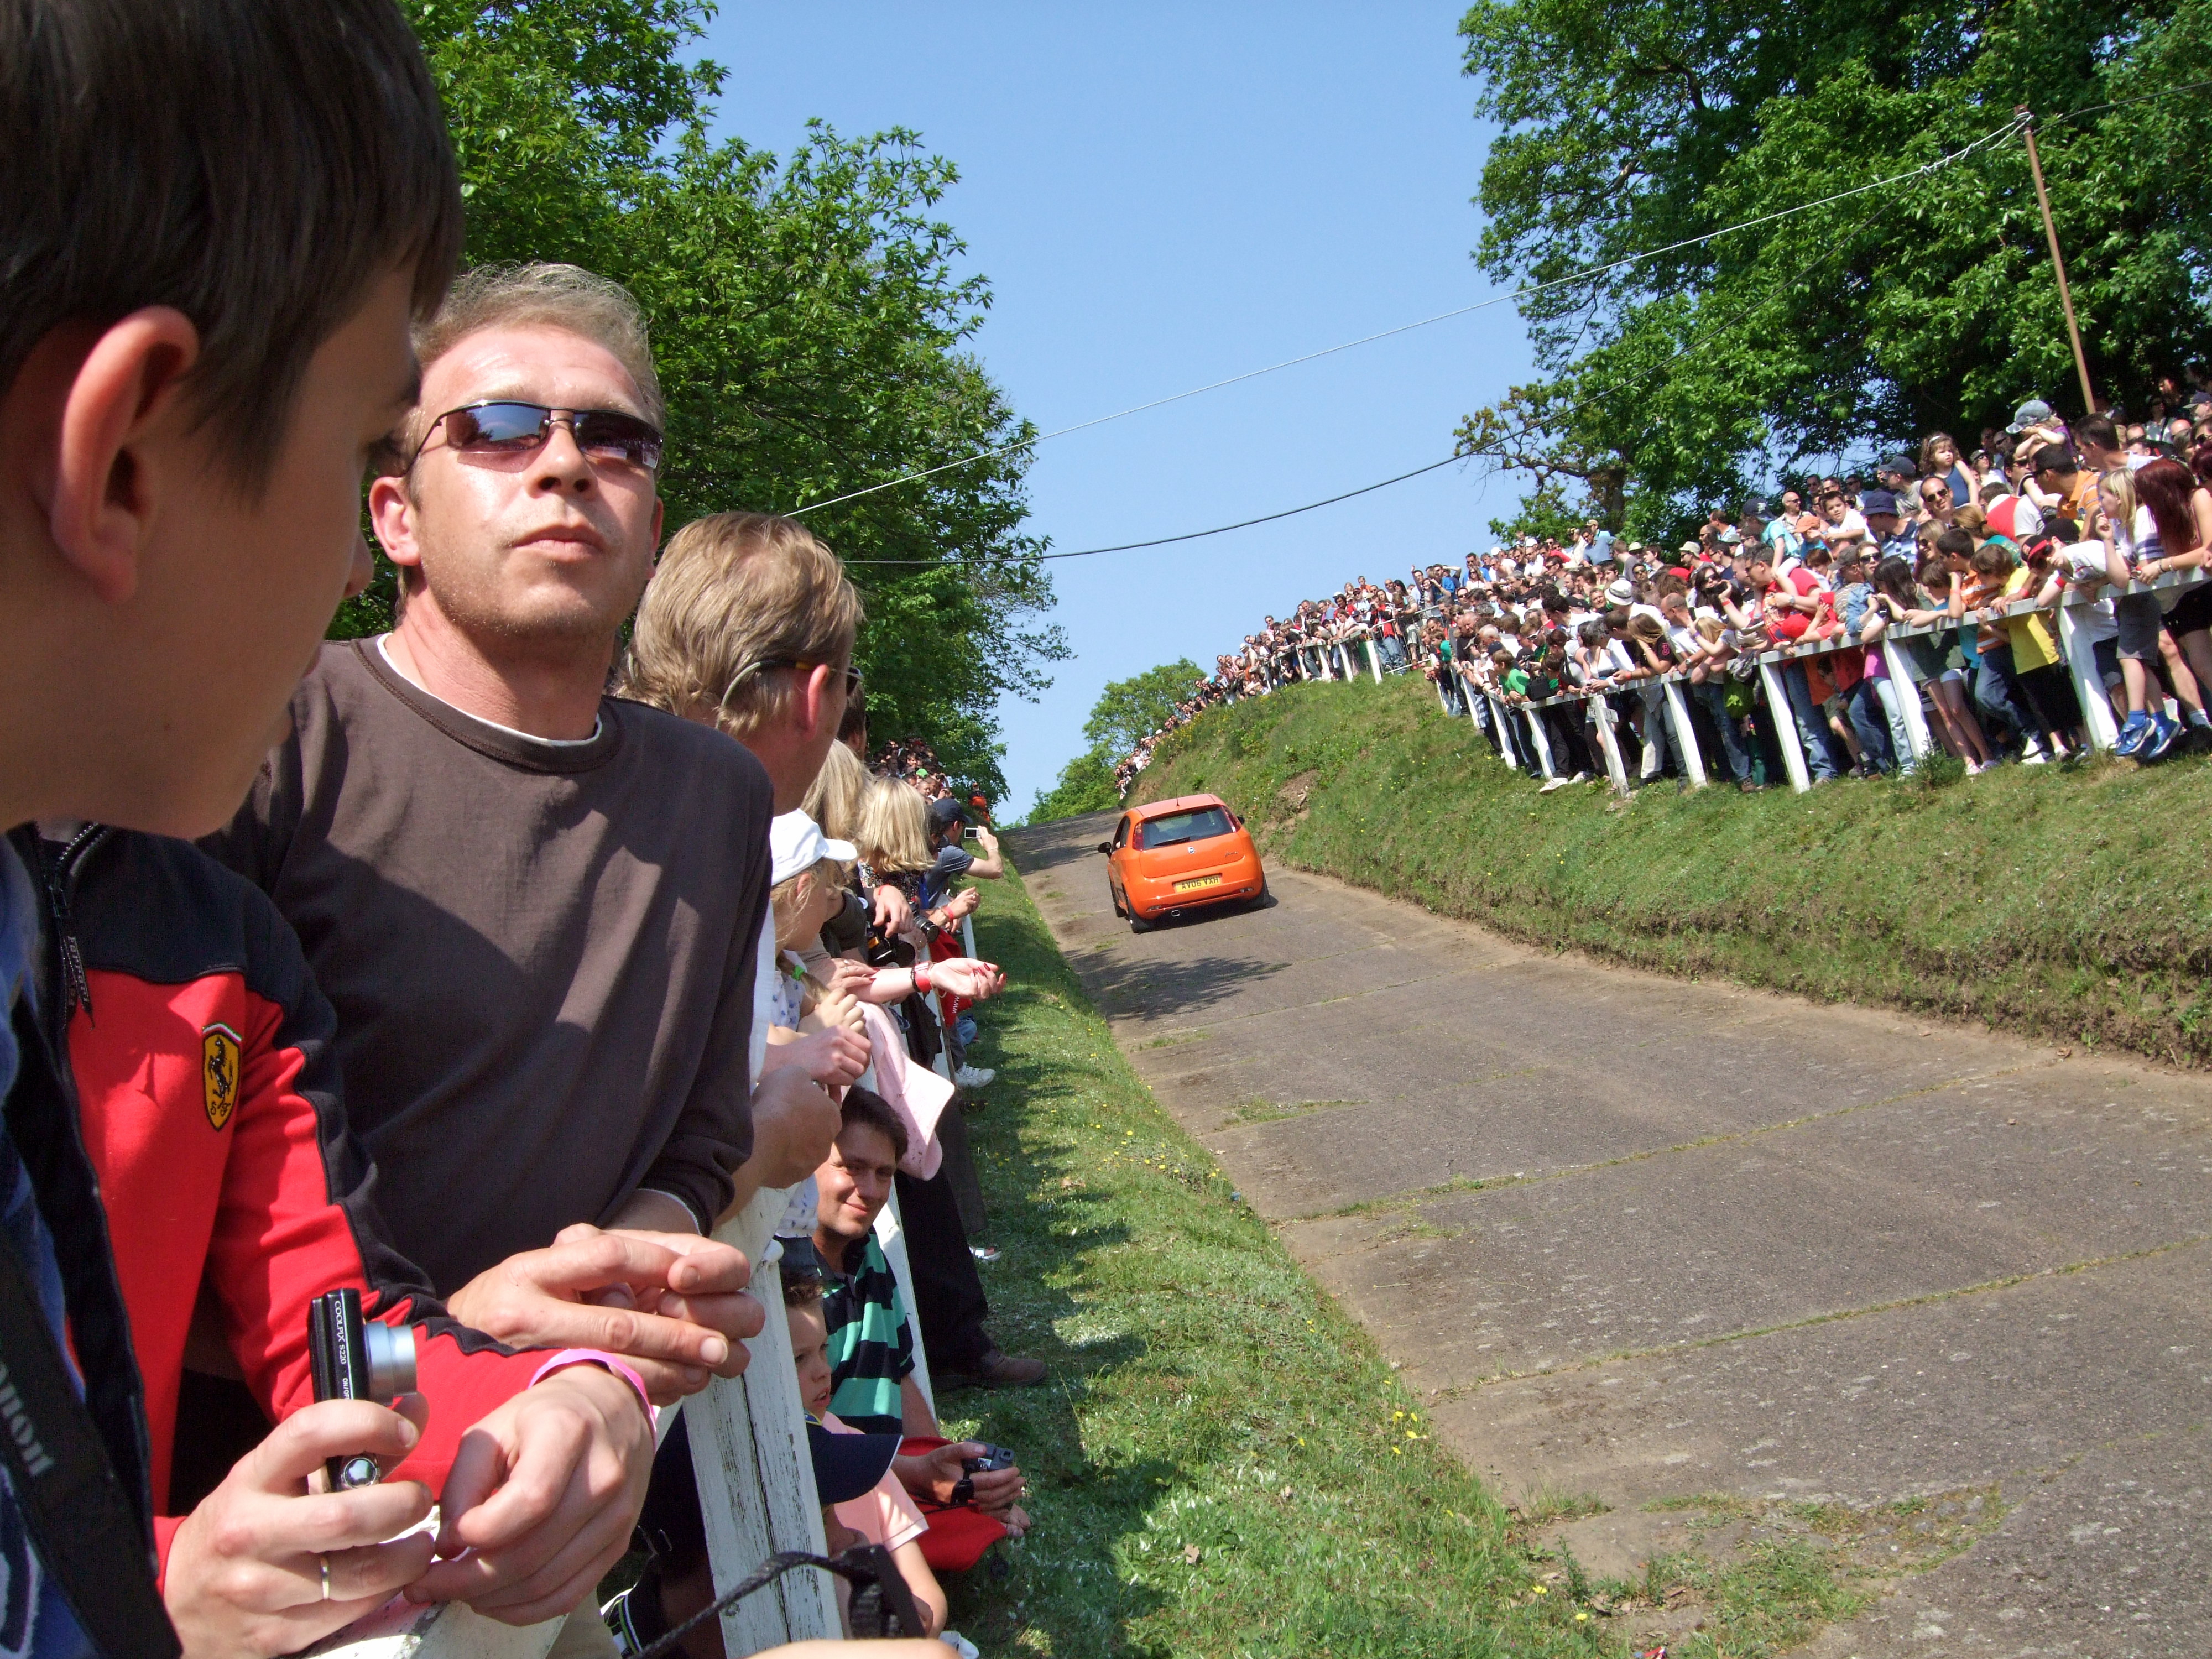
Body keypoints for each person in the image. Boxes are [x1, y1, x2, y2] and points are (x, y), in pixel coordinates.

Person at [0, 1, 676, 1649]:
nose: (344, 581)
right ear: (128, 466)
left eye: (613, 442)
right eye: (362, 452)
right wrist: (156, 1581)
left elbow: (344, 1327)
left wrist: (562, 1398)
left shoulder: (218, 938)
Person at [205, 264, 790, 1372]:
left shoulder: (718, 797)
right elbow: (151, 1167)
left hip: (567, 1442)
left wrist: (595, 1312)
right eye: (496, 429)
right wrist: (439, 1349)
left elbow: (703, 1139)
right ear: (396, 517)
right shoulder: (258, 736)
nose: (566, 464)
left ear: (652, 529)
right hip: (263, 1483)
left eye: (614, 440)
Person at [785, 1274, 948, 1640]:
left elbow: (927, 1594)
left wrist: (913, 1621)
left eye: (825, 1348)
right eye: (799, 1358)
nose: (823, 1370)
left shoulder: (856, 1450)